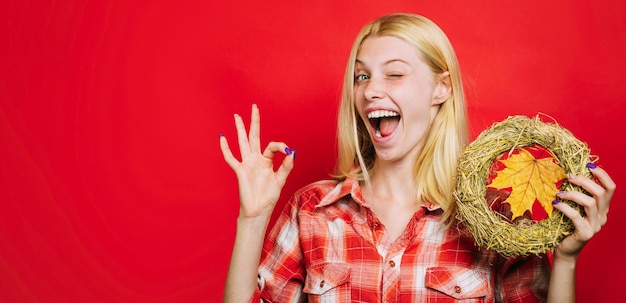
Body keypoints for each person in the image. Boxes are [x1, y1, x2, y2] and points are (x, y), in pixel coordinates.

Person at [219, 13, 615, 302]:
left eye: (393, 74)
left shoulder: (494, 221)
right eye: (362, 76)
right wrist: (252, 219)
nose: (371, 90)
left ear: (440, 89)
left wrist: (566, 260)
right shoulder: (312, 211)